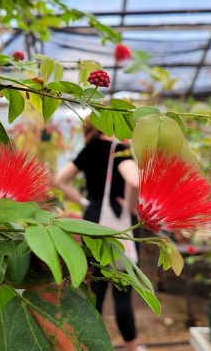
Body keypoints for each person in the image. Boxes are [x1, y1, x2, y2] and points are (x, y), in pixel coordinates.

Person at [56, 116, 146, 351]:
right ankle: (131, 348)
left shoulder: (88, 150)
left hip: (92, 220)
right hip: (118, 221)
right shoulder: (120, 150)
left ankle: (91, 347)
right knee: (123, 292)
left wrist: (86, 203)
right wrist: (129, 206)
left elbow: (61, 180)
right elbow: (135, 181)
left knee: (94, 289)